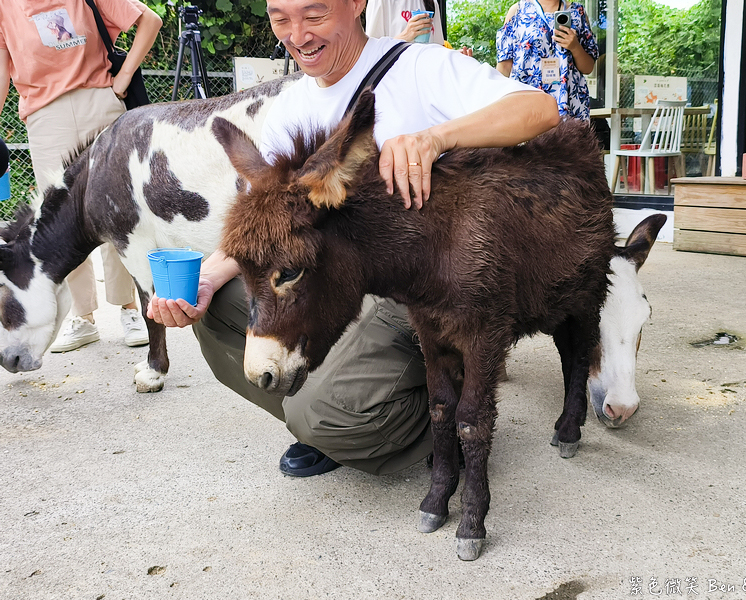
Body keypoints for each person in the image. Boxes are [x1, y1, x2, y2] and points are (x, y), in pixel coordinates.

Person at [148, 0, 559, 477]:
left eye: (314, 15)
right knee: (217, 308)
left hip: (415, 290)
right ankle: (333, 421)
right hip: (331, 278)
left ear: (357, 4)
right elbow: (268, 230)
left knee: (318, 413)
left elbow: (540, 109)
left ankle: (441, 422)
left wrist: (436, 138)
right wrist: (203, 281)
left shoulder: (420, 66)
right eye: (281, 18)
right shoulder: (292, 107)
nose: (298, 35)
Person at [0, 0, 162, 352]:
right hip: (45, 117)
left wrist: (122, 79)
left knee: (117, 214)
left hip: (101, 104)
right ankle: (84, 316)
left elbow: (150, 20)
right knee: (59, 225)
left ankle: (129, 308)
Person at [496, 0, 598, 121]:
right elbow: (504, 67)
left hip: (569, 105)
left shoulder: (577, 12)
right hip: (526, 103)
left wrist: (575, 47)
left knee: (567, 139)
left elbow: (588, 68)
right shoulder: (518, 11)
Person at [365, 0, 472, 55]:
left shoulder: (432, 3)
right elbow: (371, 54)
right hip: (395, 85)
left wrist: (455, 56)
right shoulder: (381, 2)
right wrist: (405, 36)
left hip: (424, 85)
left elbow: (436, 51)